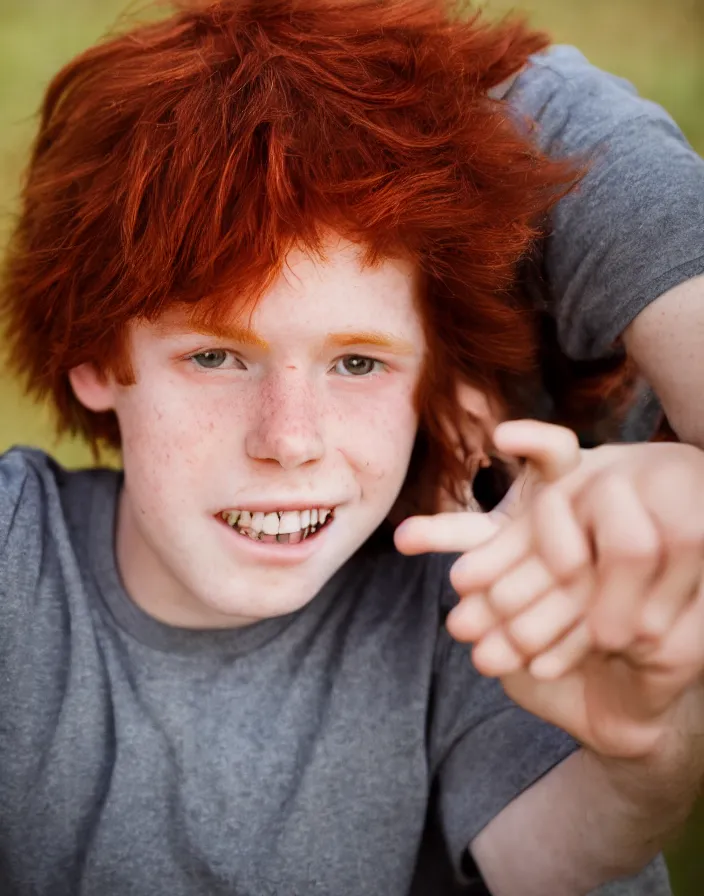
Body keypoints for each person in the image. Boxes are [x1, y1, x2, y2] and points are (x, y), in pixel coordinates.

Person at [0, 2, 703, 895]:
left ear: (441, 389)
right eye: (214, 356)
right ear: (95, 357)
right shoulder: (17, 559)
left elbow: (544, 862)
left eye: (359, 361)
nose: (289, 439)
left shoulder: (471, 612)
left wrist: (643, 754)